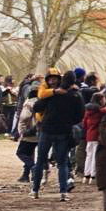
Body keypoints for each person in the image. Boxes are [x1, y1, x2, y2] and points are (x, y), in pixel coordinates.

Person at [33, 73, 83, 201]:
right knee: (62, 163)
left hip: (47, 129)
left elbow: (37, 107)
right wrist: (69, 122)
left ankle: (35, 190)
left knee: (40, 161)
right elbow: (80, 115)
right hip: (64, 131)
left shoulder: (53, 94)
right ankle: (63, 192)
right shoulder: (76, 95)